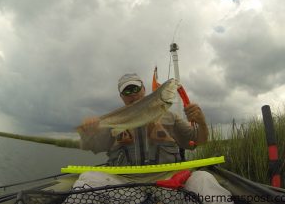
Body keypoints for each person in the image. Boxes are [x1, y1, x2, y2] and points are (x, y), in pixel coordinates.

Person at [74, 73, 233, 204]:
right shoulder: (113, 120)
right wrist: (88, 132)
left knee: (204, 178)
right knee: (87, 179)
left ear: (144, 89)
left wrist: (202, 122)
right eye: (127, 91)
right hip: (125, 184)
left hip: (169, 181)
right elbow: (91, 145)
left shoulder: (170, 116)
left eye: (135, 88)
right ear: (121, 96)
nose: (133, 94)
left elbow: (198, 141)